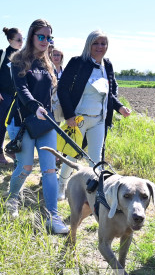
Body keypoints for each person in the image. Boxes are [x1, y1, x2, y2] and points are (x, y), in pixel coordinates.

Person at [5, 19, 68, 235]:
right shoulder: (18, 60)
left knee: (50, 170)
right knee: (25, 167)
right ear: (32, 36)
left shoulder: (48, 62)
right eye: (41, 36)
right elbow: (22, 89)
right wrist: (35, 107)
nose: (45, 41)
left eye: (49, 37)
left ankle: (53, 216)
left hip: (46, 122)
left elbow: (50, 96)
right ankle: (12, 200)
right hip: (23, 121)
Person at [56, 30, 131, 200]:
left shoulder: (108, 65)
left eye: (103, 43)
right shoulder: (78, 62)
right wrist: (69, 115)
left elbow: (109, 92)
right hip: (78, 119)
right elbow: (63, 88)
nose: (100, 47)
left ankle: (95, 192)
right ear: (88, 44)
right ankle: (62, 185)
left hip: (99, 120)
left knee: (96, 159)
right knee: (72, 154)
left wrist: (119, 107)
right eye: (96, 43)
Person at [0, 27, 23, 164]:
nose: (21, 42)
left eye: (22, 39)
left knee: (18, 124)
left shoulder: (22, 55)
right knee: (2, 124)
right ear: (10, 40)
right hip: (2, 95)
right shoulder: (1, 53)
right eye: (18, 40)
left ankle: (12, 150)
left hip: (17, 97)